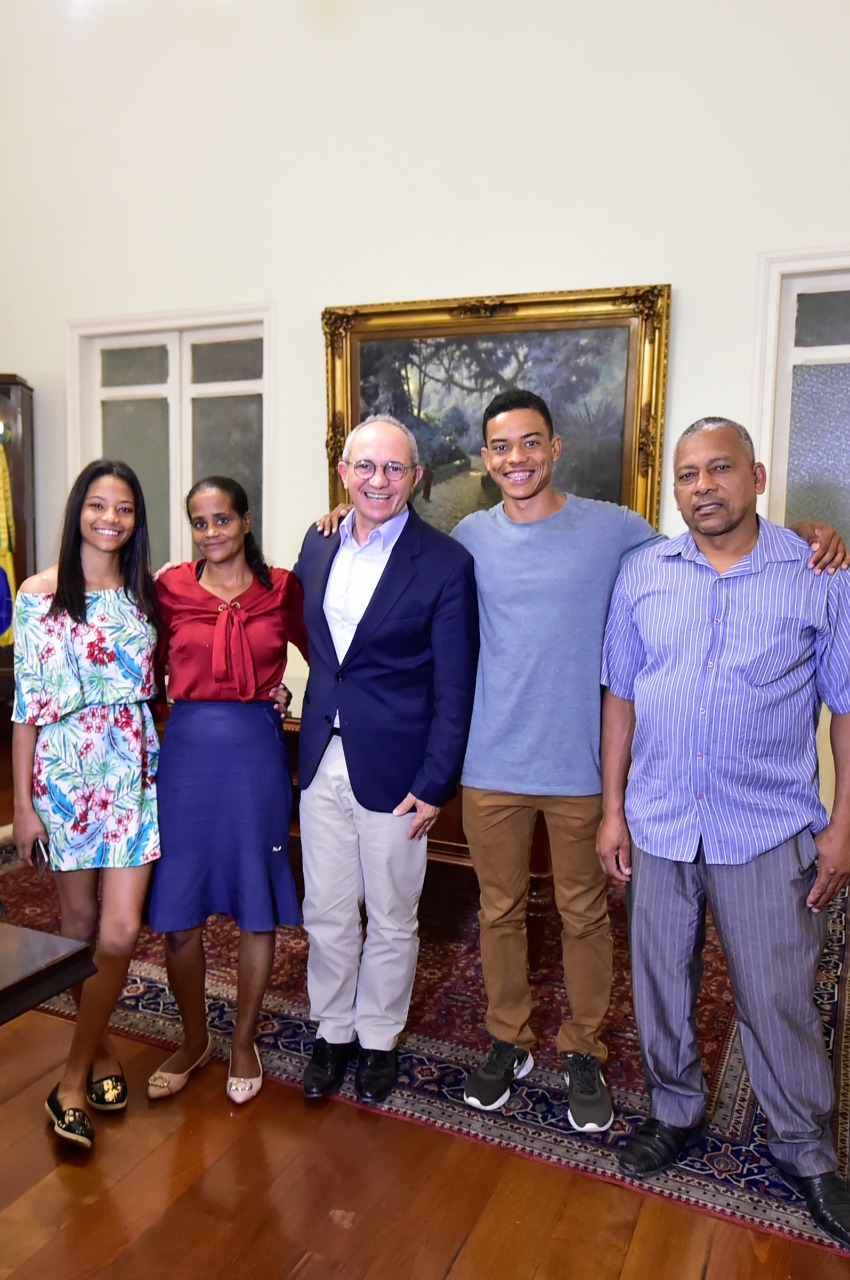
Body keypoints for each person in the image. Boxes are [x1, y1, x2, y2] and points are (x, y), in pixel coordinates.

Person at [317, 391, 847, 1130]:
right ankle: (508, 1039)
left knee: (584, 916)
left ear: (554, 447)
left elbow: (711, 537)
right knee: (498, 912)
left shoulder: (614, 530)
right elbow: (400, 551)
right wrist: (345, 519)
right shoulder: (468, 538)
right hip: (490, 764)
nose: (517, 458)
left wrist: (805, 536)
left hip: (582, 769)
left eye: (531, 442)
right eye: (502, 446)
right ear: (486, 458)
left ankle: (584, 1049)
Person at [597, 417, 850, 1247]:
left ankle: (806, 1149)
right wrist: (612, 811)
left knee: (777, 994)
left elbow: (846, 708)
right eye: (687, 474)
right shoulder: (643, 573)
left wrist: (845, 827)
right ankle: (674, 1111)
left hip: (767, 825)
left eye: (720, 469)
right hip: (661, 819)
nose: (702, 486)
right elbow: (620, 694)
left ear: (757, 476)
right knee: (661, 983)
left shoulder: (817, 572)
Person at [296, 415, 478, 1105]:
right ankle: (332, 1029)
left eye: (394, 468)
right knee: (327, 909)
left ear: (417, 478)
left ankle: (377, 1038)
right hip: (321, 756)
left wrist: (435, 783)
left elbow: (456, 687)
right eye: (366, 466)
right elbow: (311, 641)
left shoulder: (445, 563)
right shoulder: (318, 543)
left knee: (394, 914)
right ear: (344, 473)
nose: (379, 480)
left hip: (400, 771)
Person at [12, 459, 160, 1151]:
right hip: (64, 772)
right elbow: (26, 708)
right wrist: (24, 806)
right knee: (78, 931)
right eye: (98, 505)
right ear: (78, 510)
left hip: (132, 769)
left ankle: (69, 1081)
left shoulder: (146, 592)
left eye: (124, 508)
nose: (110, 518)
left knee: (120, 931)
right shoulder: (38, 595)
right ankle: (101, 1052)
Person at [146, 476, 307, 1105]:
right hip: (186, 757)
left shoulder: (282, 588)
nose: (211, 532)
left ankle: (243, 1039)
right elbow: (140, 662)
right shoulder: (169, 588)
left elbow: (331, 656)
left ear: (245, 521)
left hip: (255, 758)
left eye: (222, 519)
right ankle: (194, 1040)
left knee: (254, 900)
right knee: (178, 912)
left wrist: (288, 695)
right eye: (199, 521)